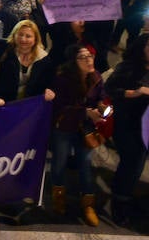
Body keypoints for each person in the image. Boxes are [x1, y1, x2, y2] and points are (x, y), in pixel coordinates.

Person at [105, 33, 149, 225]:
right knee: (132, 162)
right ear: (143, 48)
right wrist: (134, 93)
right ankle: (119, 201)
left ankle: (122, 190)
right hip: (127, 125)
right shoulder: (128, 68)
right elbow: (109, 90)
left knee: (138, 163)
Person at [47, 44, 109, 226]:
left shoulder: (96, 77)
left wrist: (103, 108)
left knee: (85, 165)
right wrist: (86, 112)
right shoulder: (62, 79)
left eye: (90, 56)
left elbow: (101, 97)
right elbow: (58, 107)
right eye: (83, 57)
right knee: (59, 163)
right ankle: (58, 199)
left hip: (85, 129)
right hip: (64, 128)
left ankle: (88, 205)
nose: (89, 60)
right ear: (73, 61)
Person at [0, 20, 55, 102]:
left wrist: (49, 92)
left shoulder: (44, 59)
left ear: (35, 39)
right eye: (20, 34)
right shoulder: (5, 49)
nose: (23, 39)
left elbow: (48, 83)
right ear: (14, 35)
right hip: (4, 103)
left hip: (31, 105)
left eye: (28, 36)